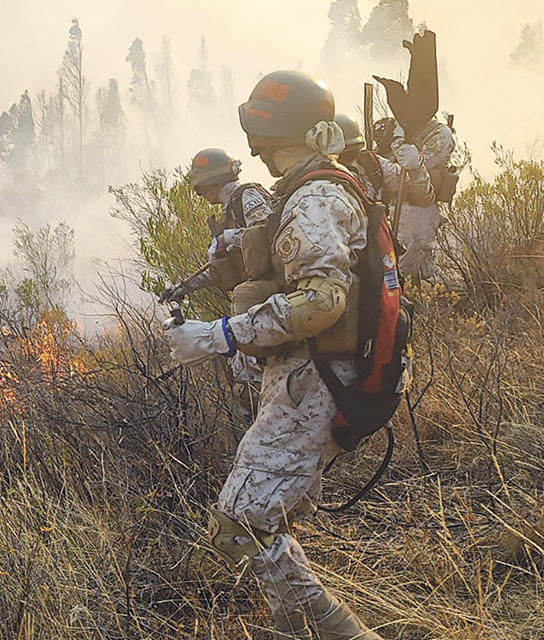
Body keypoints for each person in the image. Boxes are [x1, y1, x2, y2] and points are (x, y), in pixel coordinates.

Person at [163, 70, 387, 640]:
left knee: (243, 524)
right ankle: (292, 629)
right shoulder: (308, 187)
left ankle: (344, 633)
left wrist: (219, 335)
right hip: (308, 377)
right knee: (264, 518)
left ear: (264, 130)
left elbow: (320, 303)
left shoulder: (312, 195)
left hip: (316, 382)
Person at [159, 149, 275, 407]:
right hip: (248, 302)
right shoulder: (227, 212)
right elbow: (222, 271)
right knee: (244, 379)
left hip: (271, 300)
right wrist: (184, 288)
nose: (201, 193)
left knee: (256, 377)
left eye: (201, 186)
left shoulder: (248, 196)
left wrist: (228, 238)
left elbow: (269, 233)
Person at [373, 115, 457, 281]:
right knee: (397, 266)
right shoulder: (395, 133)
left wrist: (395, 148)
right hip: (394, 208)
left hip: (418, 209)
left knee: (411, 267)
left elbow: (415, 167)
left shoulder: (439, 134)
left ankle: (422, 302)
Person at [334, 113, 433, 210]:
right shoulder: (322, 176)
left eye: (350, 151)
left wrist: (416, 169)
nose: (344, 161)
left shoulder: (371, 164)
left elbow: (421, 197)